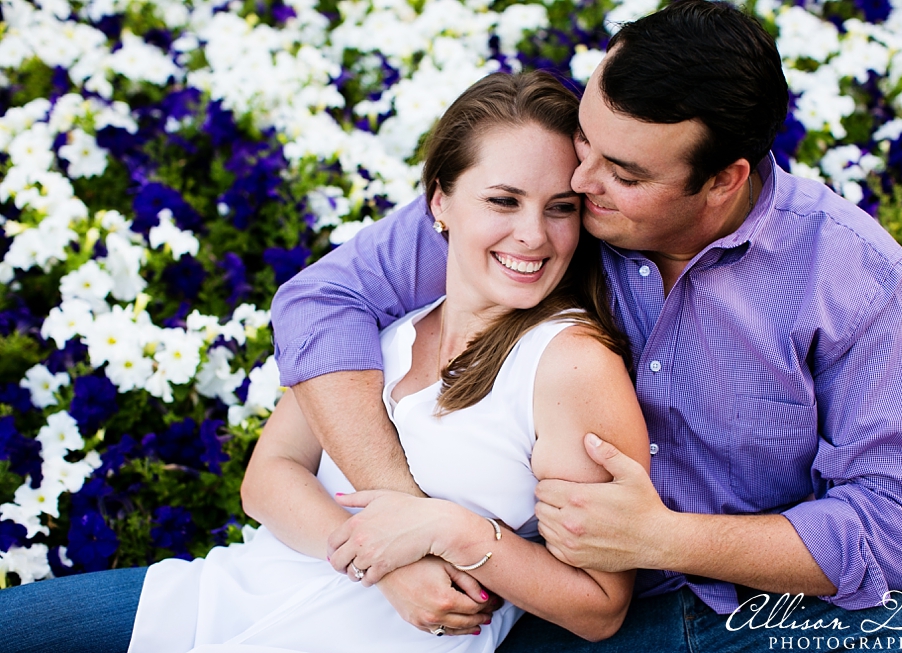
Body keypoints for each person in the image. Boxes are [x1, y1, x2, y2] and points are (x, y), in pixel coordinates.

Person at [269, 1, 902, 651]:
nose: (579, 182)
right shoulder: (546, 216)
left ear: (725, 180)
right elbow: (320, 302)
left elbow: (900, 523)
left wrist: (664, 536)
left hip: (778, 608)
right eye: (585, 138)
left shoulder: (853, 276)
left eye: (625, 173)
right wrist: (401, 518)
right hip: (563, 613)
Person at [0, 71, 652, 653]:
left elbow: (599, 607)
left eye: (560, 209)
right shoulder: (385, 329)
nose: (534, 235)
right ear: (439, 202)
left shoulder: (568, 361)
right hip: (222, 597)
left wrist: (453, 529)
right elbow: (268, 477)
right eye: (503, 201)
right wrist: (388, 561)